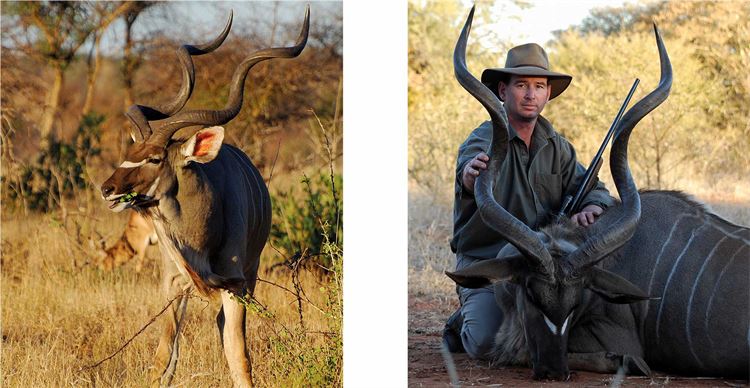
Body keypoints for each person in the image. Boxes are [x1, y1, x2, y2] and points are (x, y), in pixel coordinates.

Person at [443, 43, 615, 359]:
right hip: (492, 266)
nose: (530, 95)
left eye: (538, 86)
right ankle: (461, 322)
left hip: (542, 269)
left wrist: (592, 206)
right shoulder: (484, 138)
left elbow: (593, 188)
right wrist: (471, 175)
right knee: (486, 344)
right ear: (502, 90)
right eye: (521, 85)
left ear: (548, 94)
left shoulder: (558, 147)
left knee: (568, 328)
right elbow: (467, 174)